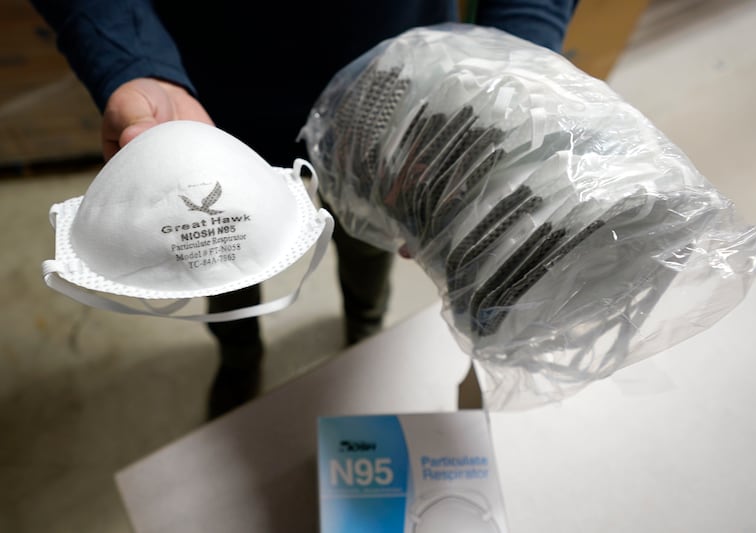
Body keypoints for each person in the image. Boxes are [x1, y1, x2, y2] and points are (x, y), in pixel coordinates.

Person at [30, 0, 579, 418]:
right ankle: (239, 349)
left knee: (368, 241)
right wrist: (133, 60)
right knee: (214, 244)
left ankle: (363, 325)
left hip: (400, 97)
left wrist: (508, 80)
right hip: (204, 96)